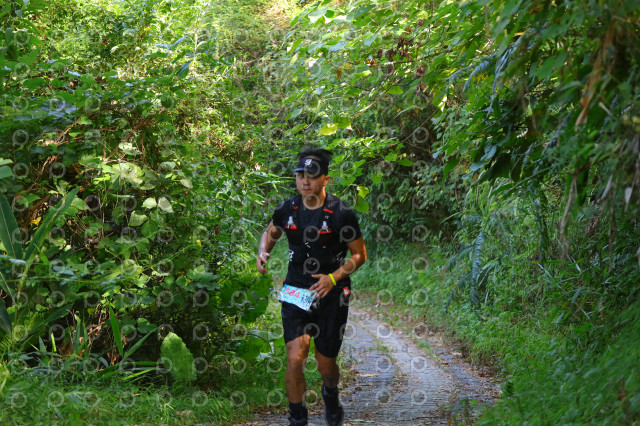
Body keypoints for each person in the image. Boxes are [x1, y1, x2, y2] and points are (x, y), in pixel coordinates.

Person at [257, 148, 367, 426]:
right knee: (295, 358)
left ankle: (330, 394)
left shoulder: (341, 213)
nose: (305, 181)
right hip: (296, 291)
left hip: (332, 293)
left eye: (312, 176)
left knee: (325, 365)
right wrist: (263, 252)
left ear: (326, 179)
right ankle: (297, 418)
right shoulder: (287, 209)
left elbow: (359, 255)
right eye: (300, 175)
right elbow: (271, 232)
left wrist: (333, 278)